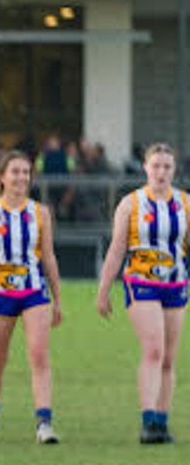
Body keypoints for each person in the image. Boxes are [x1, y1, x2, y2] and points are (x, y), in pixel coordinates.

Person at [96, 142, 188, 444]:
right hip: (141, 282)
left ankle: (162, 423)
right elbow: (117, 248)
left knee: (169, 358)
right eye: (156, 166)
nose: (161, 172)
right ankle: (148, 422)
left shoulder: (185, 204)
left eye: (167, 167)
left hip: (176, 284)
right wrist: (104, 289)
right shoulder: (131, 204)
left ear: (174, 171)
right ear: (146, 168)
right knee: (153, 350)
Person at [0, 150, 63, 445]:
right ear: (2, 176)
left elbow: (48, 256)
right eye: (15, 172)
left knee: (39, 355)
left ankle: (44, 423)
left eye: (26, 172)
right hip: (0, 292)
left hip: (34, 291)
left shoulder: (40, 213)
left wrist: (58, 299)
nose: (22, 177)